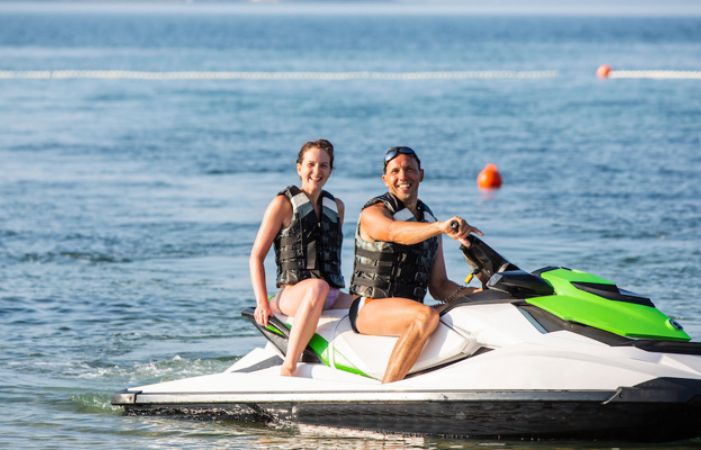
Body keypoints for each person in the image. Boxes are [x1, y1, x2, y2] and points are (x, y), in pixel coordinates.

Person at [348, 146, 482, 383]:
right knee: (425, 317)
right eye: (395, 171)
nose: (403, 176)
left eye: (409, 169)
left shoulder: (428, 220)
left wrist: (483, 295)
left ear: (421, 174)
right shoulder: (374, 213)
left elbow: (439, 286)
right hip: (370, 307)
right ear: (385, 179)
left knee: (467, 313)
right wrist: (440, 227)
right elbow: (394, 231)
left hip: (409, 307)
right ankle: (386, 391)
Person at [250, 139, 354, 377]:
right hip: (292, 295)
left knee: (369, 304)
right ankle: (289, 365)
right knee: (317, 286)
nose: (316, 171)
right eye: (310, 164)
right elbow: (256, 256)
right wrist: (262, 302)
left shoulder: (336, 206)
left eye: (323, 165)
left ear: (330, 170)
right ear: (299, 167)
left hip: (330, 294)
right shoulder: (282, 204)